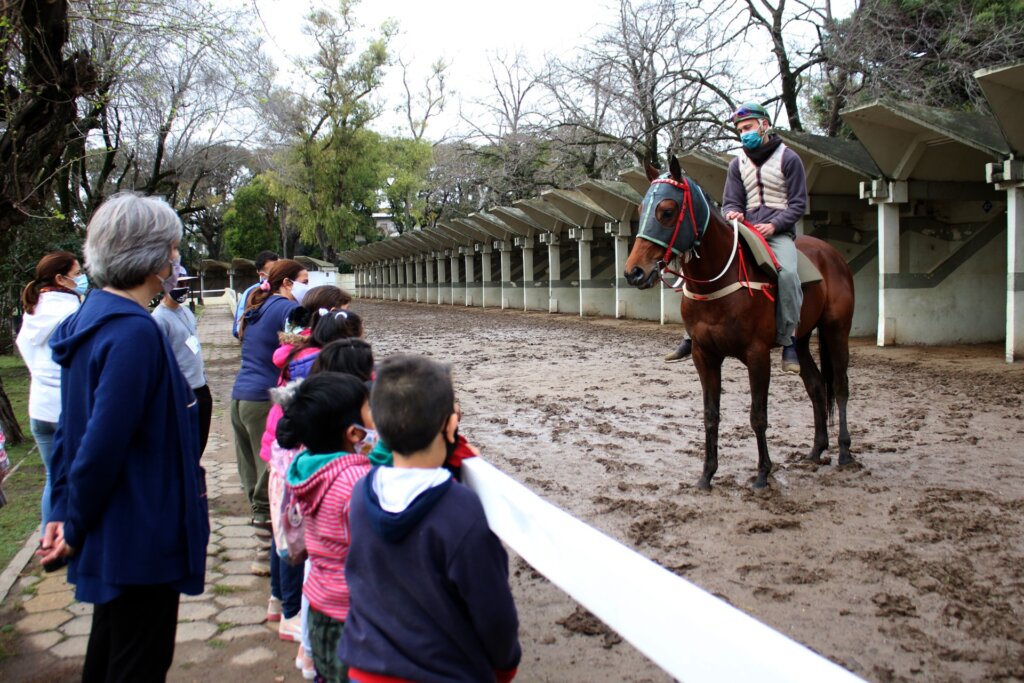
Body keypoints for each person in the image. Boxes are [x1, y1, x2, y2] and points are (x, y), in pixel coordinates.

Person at [39, 192, 209, 683]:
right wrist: (72, 525)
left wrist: (60, 509)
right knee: (139, 661)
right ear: (157, 259)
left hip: (116, 530)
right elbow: (98, 447)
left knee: (111, 653)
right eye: (174, 251)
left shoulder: (88, 318)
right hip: (141, 532)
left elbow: (72, 430)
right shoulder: (135, 333)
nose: (177, 261)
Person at [339, 354, 521, 683]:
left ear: (377, 426)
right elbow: (494, 614)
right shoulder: (460, 511)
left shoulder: (361, 492)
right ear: (450, 425)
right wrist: (505, 665)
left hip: (365, 668)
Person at [664, 102, 807, 373]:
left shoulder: (789, 158)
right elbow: (730, 202)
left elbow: (799, 204)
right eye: (741, 130)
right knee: (699, 265)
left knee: (787, 273)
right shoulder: (736, 164)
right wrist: (733, 215)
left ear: (764, 126)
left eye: (748, 127)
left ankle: (789, 340)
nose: (744, 134)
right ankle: (689, 335)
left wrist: (774, 226)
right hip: (745, 228)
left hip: (777, 233)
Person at [282, 372, 374, 683]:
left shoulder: (309, 466)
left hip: (320, 605)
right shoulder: (354, 483)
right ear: (353, 433)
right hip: (351, 613)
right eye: (370, 411)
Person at [232, 258, 308, 538]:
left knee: (251, 474)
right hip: (265, 400)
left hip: (240, 398)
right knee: (272, 470)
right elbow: (300, 352)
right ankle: (267, 545)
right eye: (304, 282)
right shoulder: (290, 308)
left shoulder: (258, 306)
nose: (306, 289)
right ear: (287, 283)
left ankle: (260, 531)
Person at [15, 251, 85, 534]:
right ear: (61, 278)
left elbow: (29, 356)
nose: (81, 278)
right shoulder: (73, 312)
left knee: (52, 477)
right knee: (79, 478)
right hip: (66, 410)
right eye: (77, 273)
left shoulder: (32, 311)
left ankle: (49, 538)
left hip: (39, 409)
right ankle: (76, 541)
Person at [152, 266, 213, 455]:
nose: (184, 288)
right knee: (185, 450)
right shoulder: (159, 319)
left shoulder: (186, 312)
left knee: (199, 445)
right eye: (179, 284)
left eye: (186, 284)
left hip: (201, 387)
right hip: (182, 393)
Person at [233, 250, 279, 339]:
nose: (278, 271)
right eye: (274, 270)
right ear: (262, 274)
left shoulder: (288, 287)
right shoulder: (250, 292)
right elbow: (237, 329)